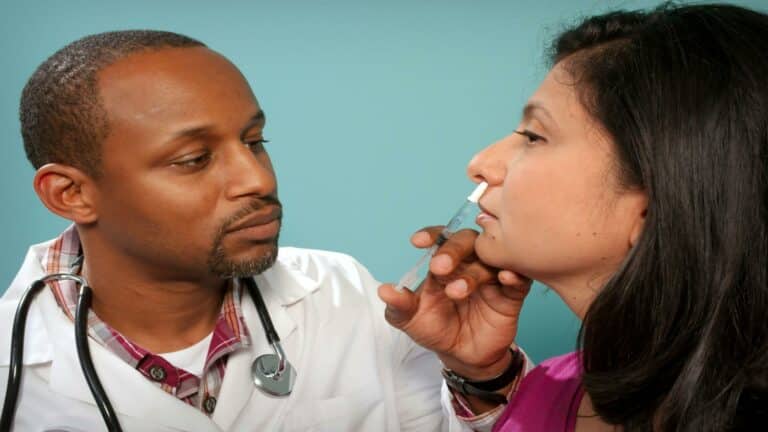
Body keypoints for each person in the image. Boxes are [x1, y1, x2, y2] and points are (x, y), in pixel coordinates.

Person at [0, 30, 503, 431]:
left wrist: (480, 373)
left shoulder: (344, 294)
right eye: (194, 159)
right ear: (71, 195)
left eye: (255, 141)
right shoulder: (11, 363)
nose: (259, 179)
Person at [379, 3, 768, 431]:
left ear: (654, 205)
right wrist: (482, 373)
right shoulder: (554, 388)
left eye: (534, 136)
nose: (481, 163)